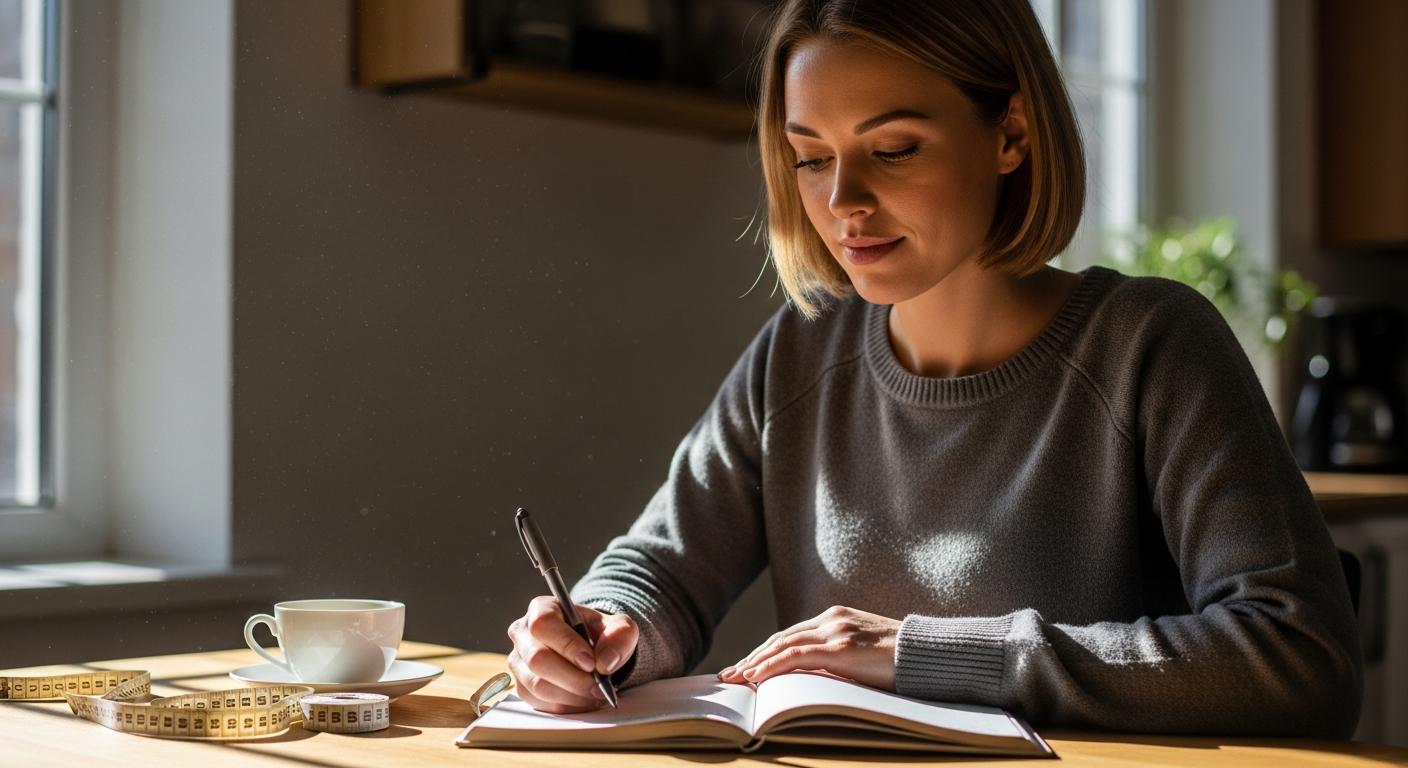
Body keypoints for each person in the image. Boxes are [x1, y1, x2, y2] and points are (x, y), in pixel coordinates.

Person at [505, 0, 1362, 737]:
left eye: (896, 148)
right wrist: (606, 627)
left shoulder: (1151, 345)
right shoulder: (800, 351)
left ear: (1012, 136)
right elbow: (660, 568)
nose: (842, 200)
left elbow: (1300, 656)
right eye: (811, 155)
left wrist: (920, 654)